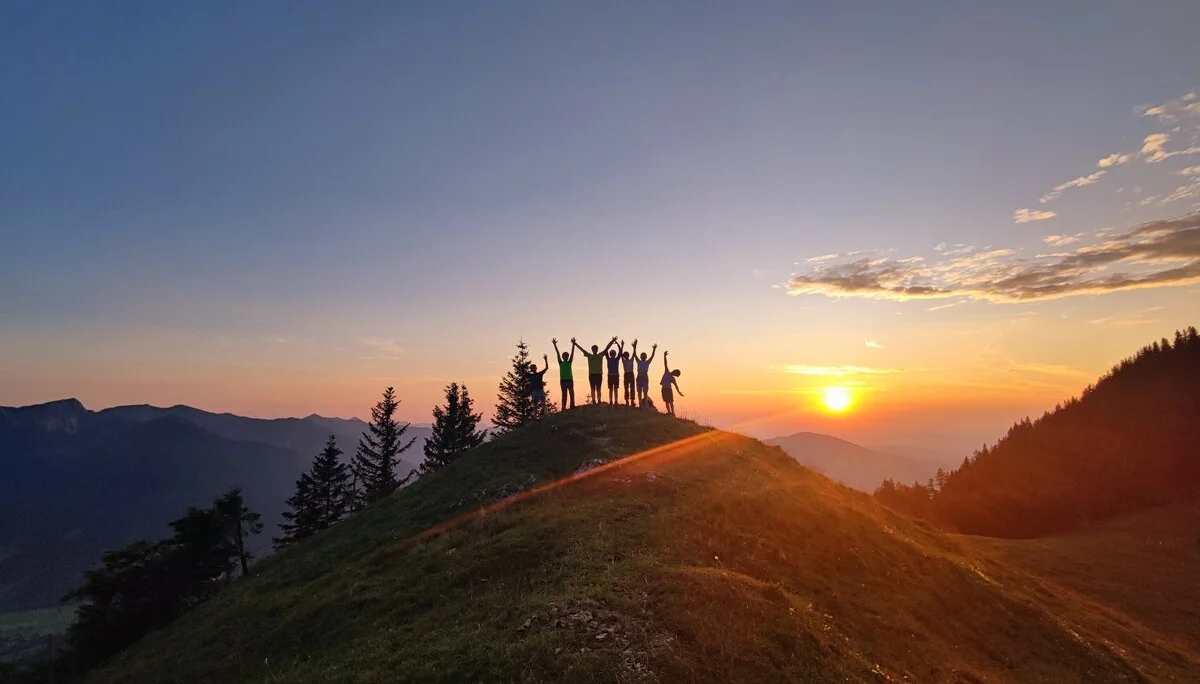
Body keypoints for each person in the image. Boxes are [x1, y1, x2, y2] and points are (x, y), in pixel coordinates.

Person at [574, 336, 618, 404]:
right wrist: (575, 344)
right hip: (591, 374)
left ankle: (599, 400)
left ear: (597, 350)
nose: (594, 350)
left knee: (599, 388)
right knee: (592, 388)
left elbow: (607, 348)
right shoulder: (589, 355)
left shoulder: (600, 355)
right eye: (593, 349)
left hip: (599, 374)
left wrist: (612, 341)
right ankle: (594, 400)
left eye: (596, 349)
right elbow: (582, 350)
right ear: (592, 350)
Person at [552, 338, 576, 410]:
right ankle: (563, 407)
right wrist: (555, 345)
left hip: (570, 379)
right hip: (563, 380)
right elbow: (558, 353)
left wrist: (573, 345)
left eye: (567, 356)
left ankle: (572, 405)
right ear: (562, 357)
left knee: (571, 393)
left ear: (568, 357)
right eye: (564, 356)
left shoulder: (569, 362)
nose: (566, 357)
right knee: (564, 394)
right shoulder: (560, 362)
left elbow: (572, 353)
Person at [661, 350, 683, 416]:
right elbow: (665, 363)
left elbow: (676, 386)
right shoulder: (667, 371)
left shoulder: (672, 378)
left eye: (675, 372)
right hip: (664, 389)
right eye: (675, 370)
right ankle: (669, 412)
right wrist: (664, 356)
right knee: (666, 401)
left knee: (670, 402)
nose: (674, 370)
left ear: (675, 374)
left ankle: (672, 413)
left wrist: (679, 392)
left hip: (668, 390)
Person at [606, 340, 625, 405]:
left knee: (616, 389)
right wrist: (612, 342)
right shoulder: (608, 358)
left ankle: (616, 401)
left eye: (613, 354)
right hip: (610, 375)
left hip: (616, 375)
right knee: (611, 389)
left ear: (615, 354)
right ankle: (611, 401)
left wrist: (619, 345)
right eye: (611, 354)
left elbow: (620, 351)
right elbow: (606, 349)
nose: (612, 355)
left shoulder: (617, 359)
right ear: (610, 354)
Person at [620, 340, 636, 406]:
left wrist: (634, 347)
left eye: (626, 355)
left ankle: (632, 401)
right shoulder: (623, 361)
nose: (625, 356)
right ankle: (627, 400)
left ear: (628, 356)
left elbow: (634, 354)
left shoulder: (631, 360)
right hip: (626, 374)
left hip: (631, 374)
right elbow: (621, 354)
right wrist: (622, 345)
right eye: (624, 356)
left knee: (632, 388)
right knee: (626, 387)